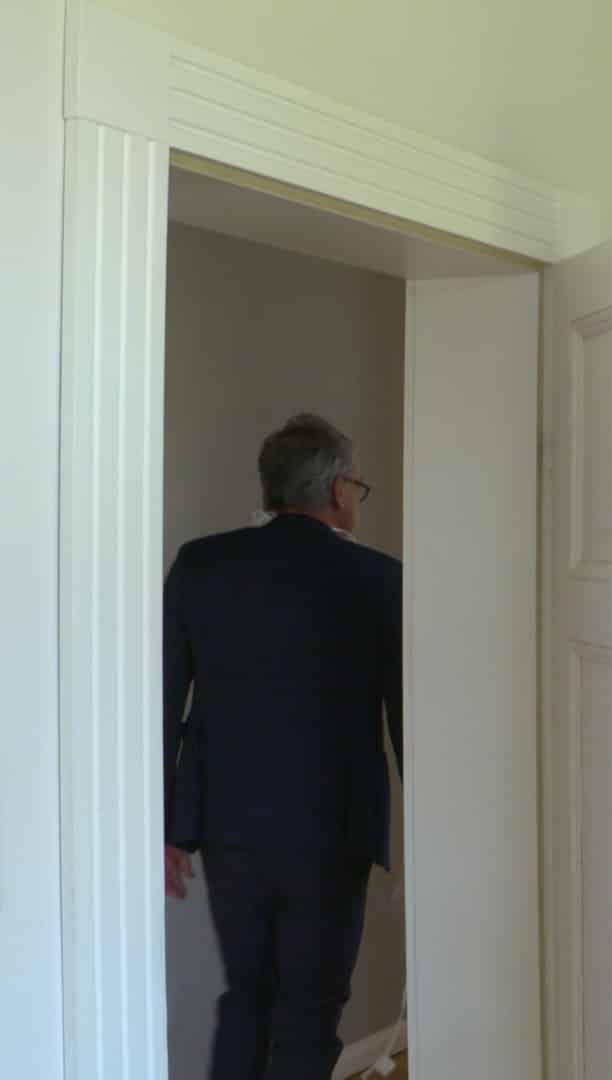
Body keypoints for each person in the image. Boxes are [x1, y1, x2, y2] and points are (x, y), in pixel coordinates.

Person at [162, 413, 403, 1080]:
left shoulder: (201, 565)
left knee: (247, 997)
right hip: (333, 832)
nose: (357, 497)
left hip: (228, 825)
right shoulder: (379, 579)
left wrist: (164, 824)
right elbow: (405, 715)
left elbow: (162, 695)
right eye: (357, 485)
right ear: (336, 490)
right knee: (311, 1009)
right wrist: (431, 836)